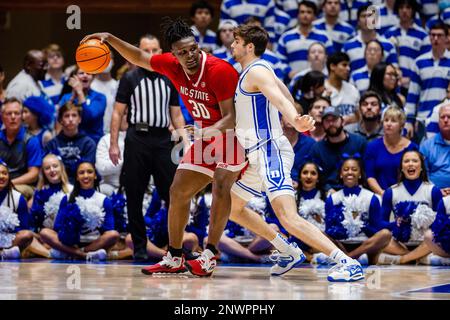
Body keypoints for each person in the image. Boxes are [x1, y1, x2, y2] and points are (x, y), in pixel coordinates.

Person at [81, 17, 247, 273]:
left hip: (234, 135)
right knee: (178, 190)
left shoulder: (220, 70)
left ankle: (211, 253)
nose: (190, 55)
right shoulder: (171, 66)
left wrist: (205, 132)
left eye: (194, 49)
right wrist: (111, 39)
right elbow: (139, 57)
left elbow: (232, 118)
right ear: (174, 55)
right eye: (183, 52)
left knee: (221, 187)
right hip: (206, 135)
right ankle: (175, 256)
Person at [228, 24, 364, 282]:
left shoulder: (256, 70)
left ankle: (346, 261)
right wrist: (295, 112)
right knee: (232, 208)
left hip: (269, 151)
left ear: (248, 46)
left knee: (288, 217)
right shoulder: (262, 69)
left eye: (236, 41)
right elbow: (284, 93)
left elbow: (279, 100)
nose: (231, 45)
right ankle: (286, 249)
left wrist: (294, 118)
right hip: (257, 154)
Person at [109, 34, 185, 261]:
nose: (151, 54)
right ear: (138, 52)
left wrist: (185, 142)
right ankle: (140, 248)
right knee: (134, 194)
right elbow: (117, 112)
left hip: (163, 140)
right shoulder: (130, 78)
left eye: (154, 50)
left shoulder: (169, 77)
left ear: (161, 51)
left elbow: (177, 114)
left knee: (172, 195)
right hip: (137, 138)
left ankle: (175, 246)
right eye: (146, 50)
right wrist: (114, 143)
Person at [39, 161, 119, 261]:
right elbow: (57, 227)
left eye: (89, 172)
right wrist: (71, 225)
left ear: (95, 175)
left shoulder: (104, 200)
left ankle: (73, 252)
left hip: (93, 242)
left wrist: (93, 222)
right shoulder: (67, 198)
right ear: (76, 177)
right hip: (70, 241)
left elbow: (109, 229)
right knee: (45, 232)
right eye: (81, 173)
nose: (86, 176)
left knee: (113, 234)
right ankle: (85, 255)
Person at [322, 155, 392, 265]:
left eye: (354, 169)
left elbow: (376, 229)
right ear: (341, 174)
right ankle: (351, 258)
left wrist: (361, 224)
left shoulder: (371, 198)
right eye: (346, 169)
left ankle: (348, 259)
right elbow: (329, 229)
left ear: (360, 174)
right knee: (319, 232)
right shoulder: (332, 199)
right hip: (340, 244)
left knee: (385, 234)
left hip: (365, 244)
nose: (350, 172)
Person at [378, 150, 442, 265]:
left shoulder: (433, 190)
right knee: (381, 238)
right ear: (402, 168)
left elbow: (440, 223)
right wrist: (395, 224)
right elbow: (381, 223)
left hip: (425, 243)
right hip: (399, 244)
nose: (410, 164)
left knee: (435, 237)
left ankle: (404, 259)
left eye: (415, 161)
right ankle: (418, 258)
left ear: (421, 167)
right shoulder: (391, 191)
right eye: (406, 161)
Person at [404, 22, 450, 141]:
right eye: (432, 35)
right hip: (423, 118)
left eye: (439, 35)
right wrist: (409, 120)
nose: (435, 39)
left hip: (446, 118)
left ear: (446, 38)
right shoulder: (419, 62)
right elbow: (412, 94)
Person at [310, 106, 367, 193]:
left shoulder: (360, 142)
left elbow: (366, 170)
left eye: (334, 119)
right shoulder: (317, 148)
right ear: (322, 124)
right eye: (327, 121)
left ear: (342, 121)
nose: (331, 123)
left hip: (357, 189)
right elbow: (317, 175)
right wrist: (327, 188)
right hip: (328, 192)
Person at [364, 107, 418, 196]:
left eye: (393, 121)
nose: (388, 124)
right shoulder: (372, 146)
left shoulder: (412, 148)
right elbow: (370, 177)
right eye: (386, 120)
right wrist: (383, 194)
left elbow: (415, 176)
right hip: (379, 195)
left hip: (406, 195)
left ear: (401, 125)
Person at [28, 154, 73, 258]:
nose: (52, 170)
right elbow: (34, 223)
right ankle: (51, 254)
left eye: (55, 166)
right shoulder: (39, 192)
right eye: (47, 168)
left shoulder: (71, 190)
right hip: (44, 236)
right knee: (27, 236)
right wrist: (38, 236)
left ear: (61, 167)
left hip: (64, 236)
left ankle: (52, 249)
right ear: (43, 172)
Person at [277, 0, 334, 78]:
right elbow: (279, 60)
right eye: (302, 12)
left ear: (314, 16)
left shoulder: (324, 37)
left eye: (309, 12)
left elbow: (331, 60)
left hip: (318, 83)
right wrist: (288, 71)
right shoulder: (286, 37)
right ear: (298, 15)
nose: (305, 15)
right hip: (293, 83)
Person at [0, 98, 43, 199]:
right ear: (2, 117)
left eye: (17, 113)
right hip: (1, 181)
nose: (13, 117)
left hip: (22, 184)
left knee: (12, 194)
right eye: (9, 113)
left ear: (22, 116)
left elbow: (34, 174)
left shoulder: (31, 140)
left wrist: (8, 183)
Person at [384, 0, 430, 93]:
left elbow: (425, 62)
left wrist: (410, 79)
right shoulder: (388, 34)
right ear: (397, 10)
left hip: (414, 84)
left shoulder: (423, 35)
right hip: (392, 85)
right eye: (401, 8)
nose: (404, 11)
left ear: (413, 10)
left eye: (408, 8)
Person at [45, 102, 96, 184]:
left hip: (81, 186)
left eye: (74, 115)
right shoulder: (52, 144)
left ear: (80, 119)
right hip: (58, 184)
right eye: (66, 116)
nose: (71, 119)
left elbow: (87, 170)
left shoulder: (88, 143)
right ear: (60, 120)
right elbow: (48, 170)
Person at [342, 5, 398, 73]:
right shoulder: (347, 46)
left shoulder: (389, 46)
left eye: (370, 16)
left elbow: (394, 72)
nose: (367, 19)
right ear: (358, 22)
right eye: (363, 16)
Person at [58, 66, 107, 144]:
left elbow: (89, 117)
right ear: (75, 77)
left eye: (88, 73)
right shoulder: (66, 97)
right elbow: (61, 118)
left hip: (93, 142)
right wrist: (73, 97)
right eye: (81, 73)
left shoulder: (100, 97)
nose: (85, 75)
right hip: (71, 143)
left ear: (93, 77)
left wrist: (80, 92)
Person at [0, 160, 33, 260]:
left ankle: (3, 252)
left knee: (27, 235)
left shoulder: (18, 198)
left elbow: (24, 227)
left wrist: (9, 228)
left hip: (7, 238)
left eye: (4, 173)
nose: (1, 176)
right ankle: (4, 254)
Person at [95, 107, 128, 196]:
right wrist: (126, 161)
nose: (127, 117)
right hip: (111, 186)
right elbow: (101, 168)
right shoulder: (106, 140)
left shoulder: (142, 139)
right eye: (124, 114)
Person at [420, 103, 450, 195]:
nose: (445, 120)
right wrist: (436, 191)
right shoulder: (427, 146)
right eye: (442, 117)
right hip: (435, 195)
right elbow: (423, 176)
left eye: (449, 117)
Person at [324, 52, 360, 124]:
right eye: (344, 65)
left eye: (349, 66)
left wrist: (354, 118)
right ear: (332, 66)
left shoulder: (353, 89)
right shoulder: (322, 89)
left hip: (351, 133)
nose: (348, 69)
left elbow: (359, 117)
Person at [281, 115, 316, 186]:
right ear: (281, 119)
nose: (291, 117)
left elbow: (314, 170)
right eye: (287, 114)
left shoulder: (311, 143)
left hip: (303, 187)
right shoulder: (273, 142)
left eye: (297, 115)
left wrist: (299, 183)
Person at [91, 52, 118, 135]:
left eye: (109, 58)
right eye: (102, 58)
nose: (106, 61)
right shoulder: (90, 86)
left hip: (113, 133)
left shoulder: (118, 86)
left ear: (113, 62)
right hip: (93, 133)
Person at [422, 195, 450, 265]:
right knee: (428, 235)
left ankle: (443, 260)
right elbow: (437, 226)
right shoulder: (445, 201)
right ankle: (446, 258)